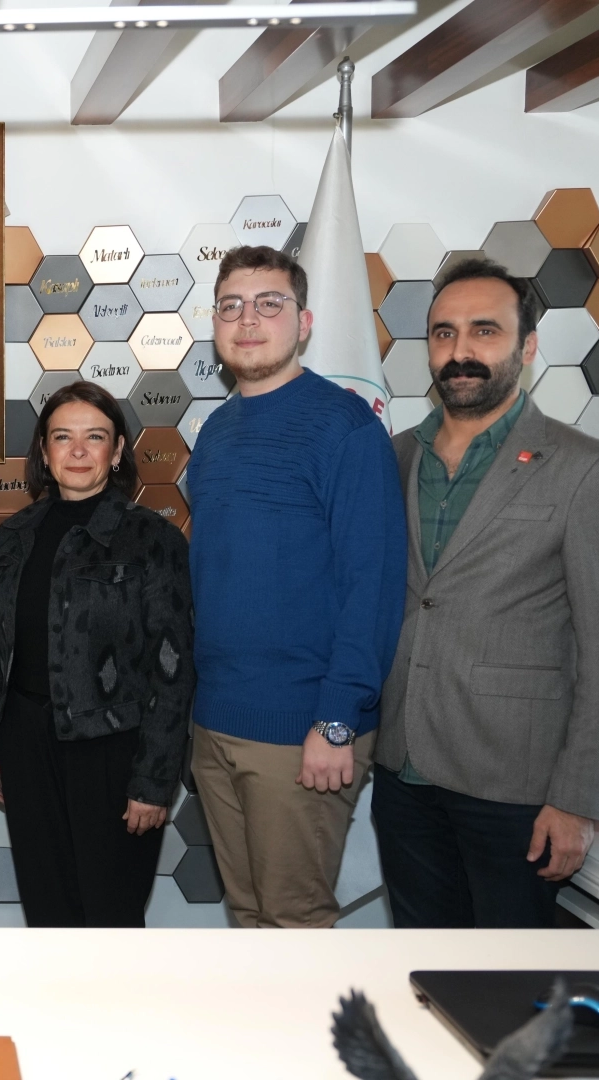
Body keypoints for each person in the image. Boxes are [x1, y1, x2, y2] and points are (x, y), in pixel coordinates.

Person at [373, 258, 599, 928]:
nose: (460, 350)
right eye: (443, 333)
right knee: (420, 965)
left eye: (484, 330)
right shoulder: (392, 457)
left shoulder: (586, 468)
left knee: (510, 975)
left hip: (516, 786)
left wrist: (577, 799)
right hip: (402, 771)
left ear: (526, 347)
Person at [184, 245, 406, 929]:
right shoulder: (215, 432)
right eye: (231, 306)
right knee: (250, 919)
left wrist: (336, 721)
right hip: (216, 721)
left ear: (304, 323)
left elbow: (373, 585)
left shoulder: (345, 427)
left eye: (268, 304)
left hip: (302, 730)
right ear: (215, 324)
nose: (247, 320)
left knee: (294, 924)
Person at [0, 381, 194, 927]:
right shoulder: (15, 535)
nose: (77, 451)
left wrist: (154, 780)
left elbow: (173, 670)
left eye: (94, 437)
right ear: (43, 451)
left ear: (117, 451)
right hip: (27, 745)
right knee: (48, 915)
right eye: (62, 437)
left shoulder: (153, 539)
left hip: (114, 754)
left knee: (110, 918)